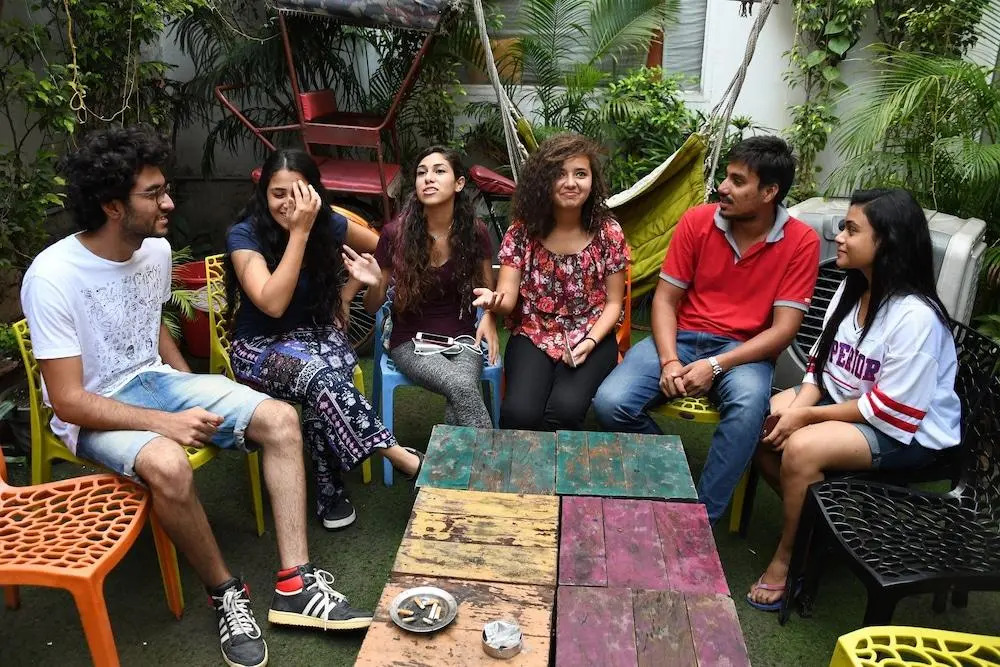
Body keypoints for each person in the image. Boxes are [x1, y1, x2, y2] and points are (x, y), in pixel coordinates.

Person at [20, 126, 372, 667]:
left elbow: (150, 324)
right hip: (92, 407)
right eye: (154, 193)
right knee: (167, 463)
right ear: (112, 206)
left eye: (166, 189)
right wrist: (166, 422)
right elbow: (67, 401)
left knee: (280, 419)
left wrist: (189, 385)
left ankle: (295, 583)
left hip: (154, 379)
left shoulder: (155, 251)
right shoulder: (51, 276)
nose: (169, 203)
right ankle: (225, 591)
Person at [746, 188, 960, 611]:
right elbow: (819, 367)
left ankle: (789, 558)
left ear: (888, 242)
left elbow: (889, 409)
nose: (839, 237)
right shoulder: (852, 289)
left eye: (852, 229)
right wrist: (799, 409)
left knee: (802, 448)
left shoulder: (915, 317)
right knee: (760, 423)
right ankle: (820, 531)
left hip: (908, 433)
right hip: (851, 404)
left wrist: (806, 418)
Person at [593, 136, 820, 523]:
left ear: (769, 192)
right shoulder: (697, 221)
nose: (723, 187)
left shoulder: (801, 241)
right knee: (611, 404)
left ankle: (699, 520)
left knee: (748, 410)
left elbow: (783, 331)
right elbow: (665, 301)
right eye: (726, 176)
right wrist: (669, 360)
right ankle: (676, 476)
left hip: (744, 351)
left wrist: (715, 366)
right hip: (682, 337)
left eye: (738, 181)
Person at [226, 149, 421, 532]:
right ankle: (403, 458)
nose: (289, 204)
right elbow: (272, 304)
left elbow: (386, 247)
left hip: (317, 333)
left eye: (298, 193)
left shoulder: (327, 223)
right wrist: (300, 233)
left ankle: (330, 489)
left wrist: (352, 290)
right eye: (278, 193)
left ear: (314, 193)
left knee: (327, 373)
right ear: (263, 194)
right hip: (259, 347)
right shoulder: (244, 235)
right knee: (320, 376)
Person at [472, 133, 628, 431]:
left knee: (565, 411)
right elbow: (507, 298)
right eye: (560, 174)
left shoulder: (609, 232)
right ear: (544, 181)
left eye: (580, 174)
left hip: (591, 332)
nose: (571, 183)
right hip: (533, 331)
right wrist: (494, 302)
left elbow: (613, 303)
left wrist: (591, 341)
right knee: (520, 414)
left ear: (592, 180)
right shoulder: (522, 232)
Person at [342, 146, 498, 428]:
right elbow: (372, 306)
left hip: (463, 339)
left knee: (460, 388)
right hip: (410, 342)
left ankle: (450, 456)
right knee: (462, 386)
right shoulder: (395, 234)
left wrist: (489, 315)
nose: (428, 178)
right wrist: (375, 284)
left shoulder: (475, 233)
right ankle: (490, 454)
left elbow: (488, 293)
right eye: (421, 173)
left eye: (439, 171)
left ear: (459, 183)